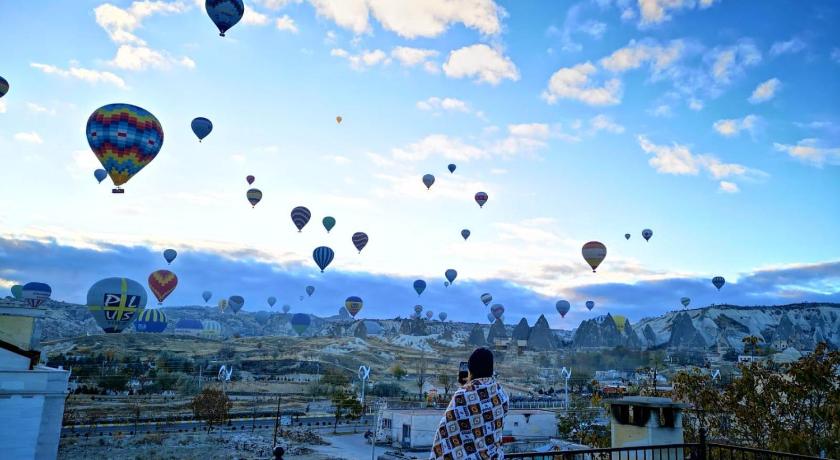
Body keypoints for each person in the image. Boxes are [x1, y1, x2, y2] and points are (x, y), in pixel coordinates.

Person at [430, 348, 509, 459]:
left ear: (470, 369)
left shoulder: (462, 396)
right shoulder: (502, 394)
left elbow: (445, 431)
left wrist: (466, 386)